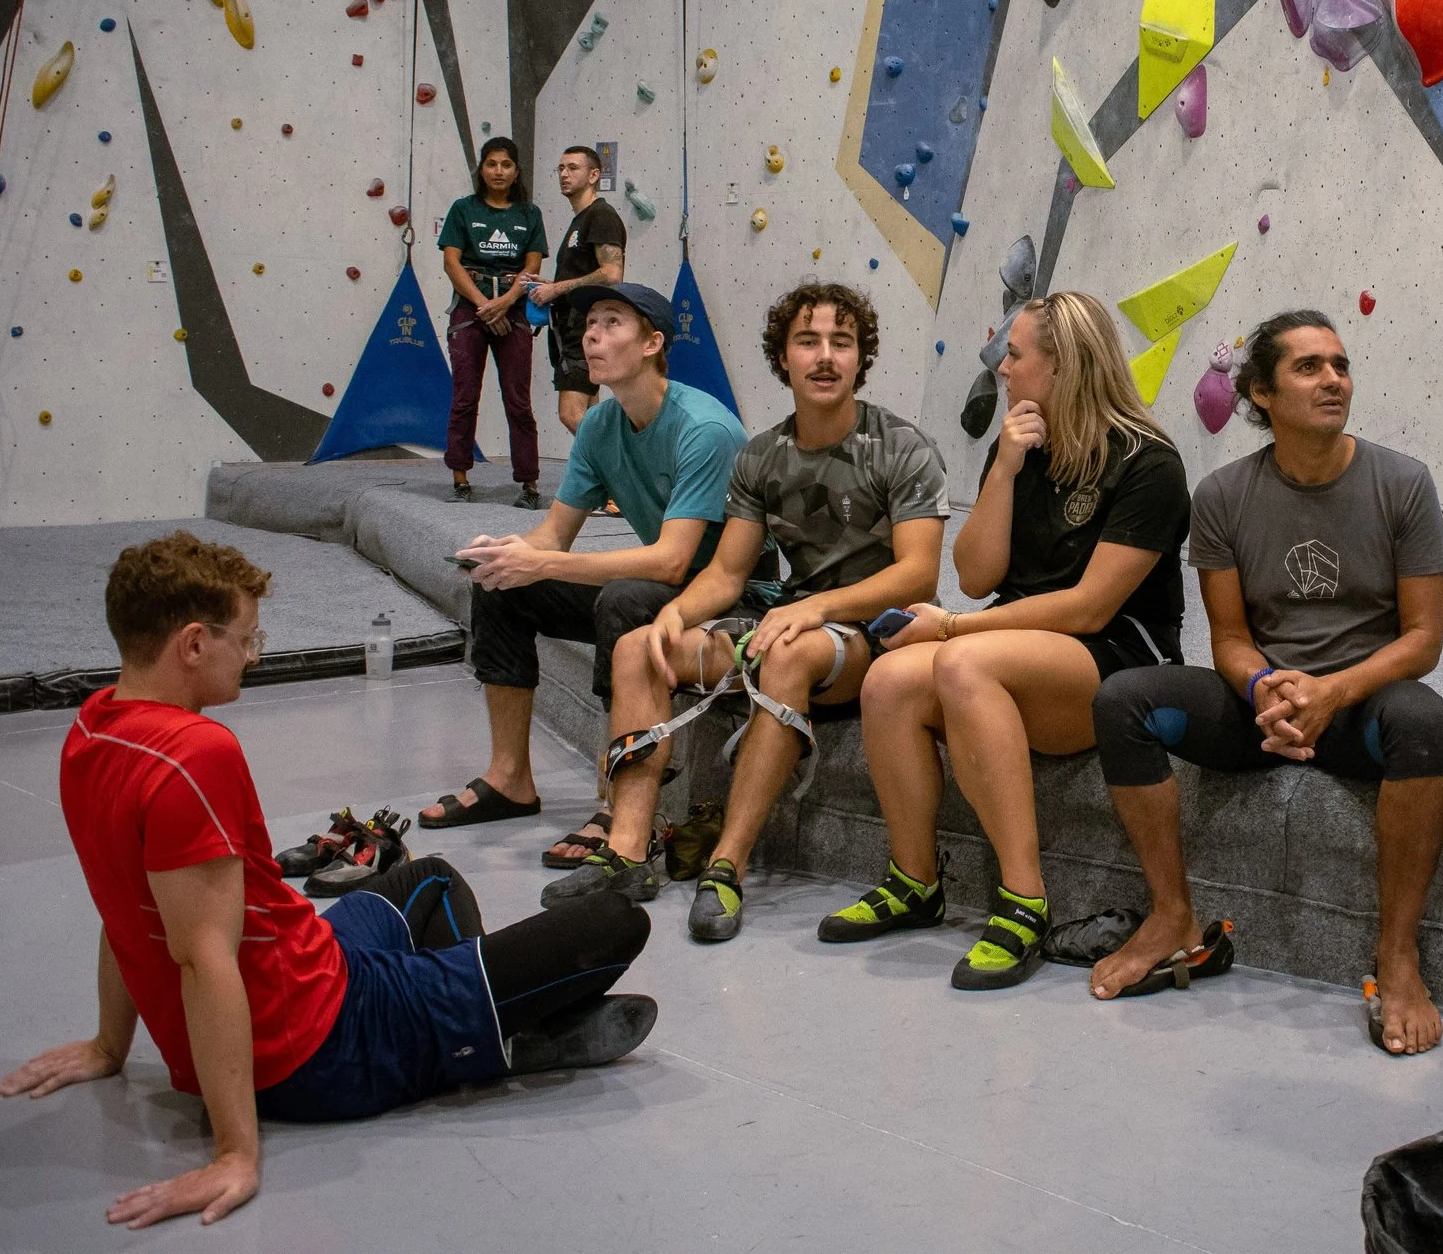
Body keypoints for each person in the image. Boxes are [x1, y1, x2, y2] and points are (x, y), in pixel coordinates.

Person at [0, 533, 656, 1230]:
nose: (254, 655)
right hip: (324, 1044)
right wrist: (233, 1154)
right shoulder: (196, 753)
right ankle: (479, 1040)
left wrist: (110, 1046)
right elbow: (204, 960)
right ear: (193, 645)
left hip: (312, 967)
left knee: (428, 878)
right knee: (616, 922)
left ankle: (471, 1019)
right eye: (245, 640)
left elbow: (122, 904)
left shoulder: (93, 730)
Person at [1090, 311, 1443, 1053]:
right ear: (1260, 392)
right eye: (1310, 367)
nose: (1334, 381)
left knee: (1423, 721)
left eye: (1341, 365)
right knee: (1124, 698)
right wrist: (1264, 690)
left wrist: (1332, 694)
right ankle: (1171, 917)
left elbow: (1423, 640)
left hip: (1357, 708)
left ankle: (1398, 954)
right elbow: (1227, 637)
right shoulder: (1223, 495)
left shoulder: (1403, 483)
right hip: (1264, 708)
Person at [544, 283, 947, 950]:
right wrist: (675, 614)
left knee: (786, 652)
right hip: (793, 622)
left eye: (840, 343)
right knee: (637, 648)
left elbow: (917, 574)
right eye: (807, 341)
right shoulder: (761, 456)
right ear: (782, 358)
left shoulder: (901, 446)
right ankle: (628, 849)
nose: (824, 357)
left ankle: (728, 864)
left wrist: (815, 607)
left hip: (879, 636)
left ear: (860, 359)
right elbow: (728, 572)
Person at [845, 293, 1191, 990]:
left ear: (1061, 364)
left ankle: (1023, 901)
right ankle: (915, 879)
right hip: (1016, 643)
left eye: (1017, 353)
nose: (1003, 367)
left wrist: (947, 628)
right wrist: (1002, 468)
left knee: (961, 658)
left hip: (1114, 657)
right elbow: (974, 576)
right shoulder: (1023, 448)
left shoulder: (1148, 462)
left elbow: (1090, 608)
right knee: (886, 682)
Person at [426, 283, 745, 862]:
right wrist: (504, 552)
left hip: (724, 595)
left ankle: (618, 800)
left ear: (653, 343)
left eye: (611, 323)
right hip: (663, 585)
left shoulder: (704, 429)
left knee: (621, 600)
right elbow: (552, 537)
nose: (591, 335)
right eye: (589, 323)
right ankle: (510, 778)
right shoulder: (600, 426)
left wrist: (543, 560)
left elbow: (674, 559)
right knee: (504, 586)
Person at [438, 137, 548, 506]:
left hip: (512, 305)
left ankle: (529, 484)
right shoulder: (462, 210)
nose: (498, 171)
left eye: (506, 165)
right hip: (472, 306)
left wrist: (505, 303)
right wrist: (485, 305)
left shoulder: (529, 214)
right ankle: (460, 478)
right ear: (481, 170)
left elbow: (532, 266)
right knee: (465, 396)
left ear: (516, 171)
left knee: (518, 400)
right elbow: (451, 262)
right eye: (491, 164)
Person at [529, 145, 627, 436]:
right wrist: (551, 287)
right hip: (570, 329)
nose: (564, 174)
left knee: (571, 414)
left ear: (594, 174)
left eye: (573, 168)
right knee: (593, 415)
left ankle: (618, 473)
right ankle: (602, 479)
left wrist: (557, 288)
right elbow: (583, 274)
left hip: (582, 329)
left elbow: (612, 273)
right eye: (560, 168)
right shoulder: (579, 221)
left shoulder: (601, 216)